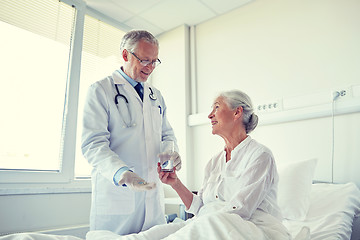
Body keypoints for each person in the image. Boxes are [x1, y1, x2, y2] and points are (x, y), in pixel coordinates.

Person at [87, 90, 294, 240]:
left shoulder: (260, 156)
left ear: (237, 112)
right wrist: (175, 183)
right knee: (157, 232)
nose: (210, 115)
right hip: (212, 221)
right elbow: (200, 207)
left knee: (198, 225)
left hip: (252, 228)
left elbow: (240, 211)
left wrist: (196, 224)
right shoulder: (214, 162)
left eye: (216, 107)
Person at [81, 30, 181, 235]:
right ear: (126, 55)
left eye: (155, 61)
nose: (150, 67)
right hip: (117, 198)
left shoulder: (155, 95)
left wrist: (171, 153)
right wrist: (121, 173)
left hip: (152, 199)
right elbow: (93, 144)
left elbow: (167, 135)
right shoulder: (101, 90)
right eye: (145, 60)